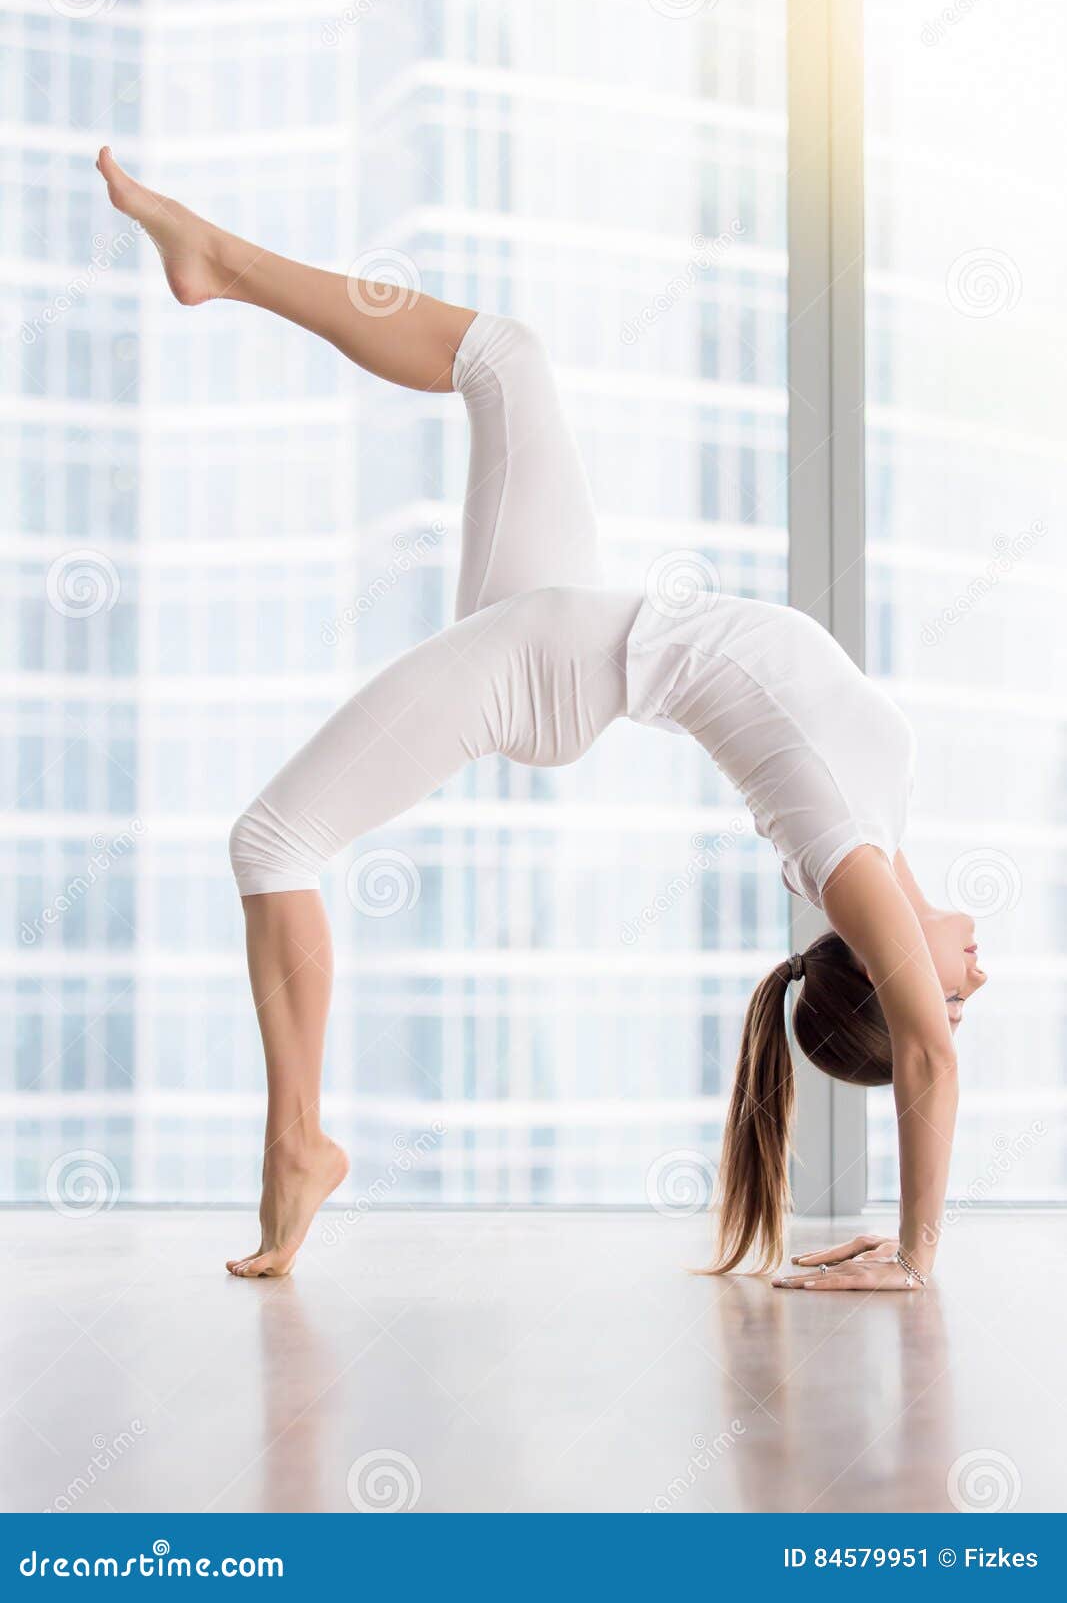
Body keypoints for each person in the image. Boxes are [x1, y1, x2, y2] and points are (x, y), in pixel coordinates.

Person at [95, 147, 987, 1283]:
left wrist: (913, 1254)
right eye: (957, 1007)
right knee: (504, 358)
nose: (974, 986)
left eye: (951, 1006)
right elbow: (914, 1036)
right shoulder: (877, 819)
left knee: (270, 841)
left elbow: (921, 1059)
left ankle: (296, 1144)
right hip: (564, 626)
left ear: (880, 968)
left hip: (544, 666)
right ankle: (218, 259)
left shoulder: (841, 853)